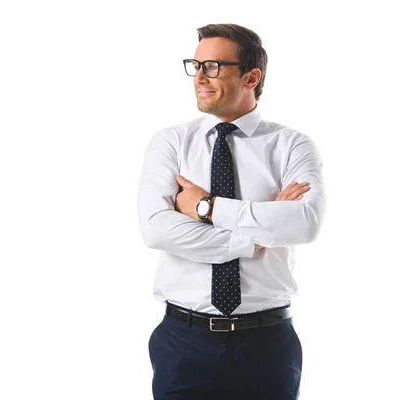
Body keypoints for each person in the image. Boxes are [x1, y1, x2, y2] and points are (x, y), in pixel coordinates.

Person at [137, 23, 325, 399]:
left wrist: (206, 207)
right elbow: (157, 230)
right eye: (196, 65)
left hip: (267, 345)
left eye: (213, 67)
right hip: (183, 343)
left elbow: (304, 224)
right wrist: (255, 236)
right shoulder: (171, 143)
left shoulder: (291, 146)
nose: (200, 78)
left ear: (251, 76)